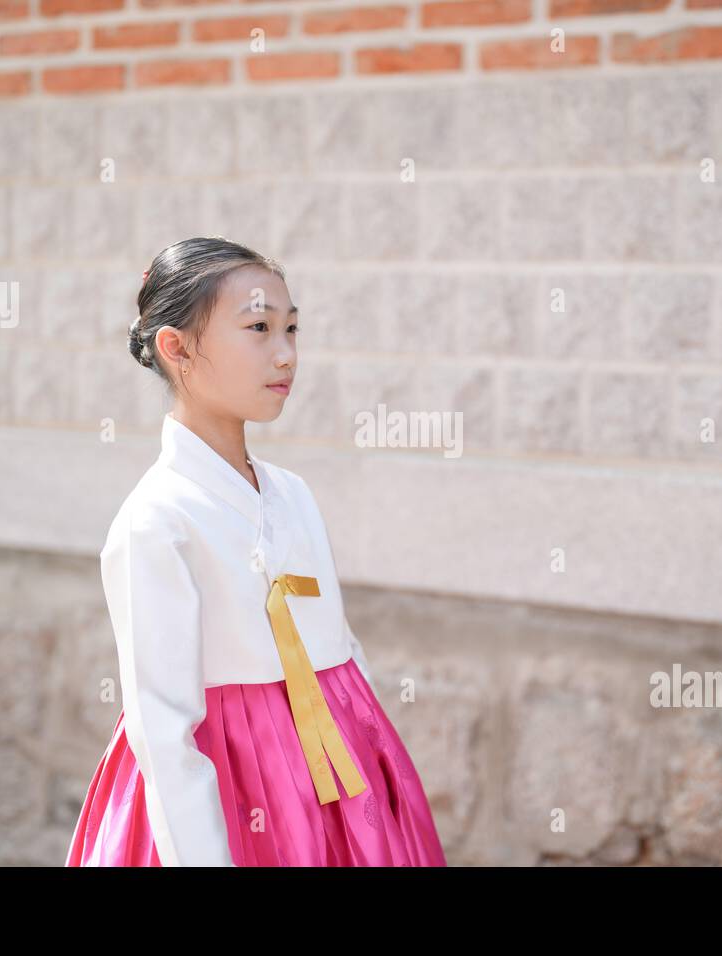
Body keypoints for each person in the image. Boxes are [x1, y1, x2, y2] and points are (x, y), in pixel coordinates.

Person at [65, 236, 447, 867]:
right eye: (259, 328)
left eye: (292, 330)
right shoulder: (156, 523)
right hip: (228, 790)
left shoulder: (291, 494)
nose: (285, 354)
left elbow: (342, 652)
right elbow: (164, 735)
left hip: (338, 787)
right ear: (177, 348)